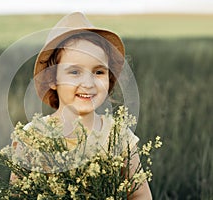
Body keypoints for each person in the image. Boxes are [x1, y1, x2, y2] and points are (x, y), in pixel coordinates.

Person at [11, 12, 152, 199]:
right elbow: (16, 194)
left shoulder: (118, 136)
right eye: (75, 72)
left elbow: (140, 195)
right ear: (52, 78)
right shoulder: (32, 137)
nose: (88, 83)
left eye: (99, 72)